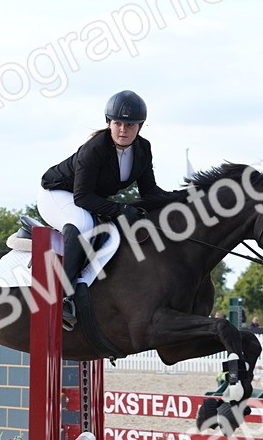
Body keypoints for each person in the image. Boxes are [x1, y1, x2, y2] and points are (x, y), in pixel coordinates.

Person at [39, 90, 186, 330]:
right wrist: (121, 209)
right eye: (117, 123)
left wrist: (182, 197)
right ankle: (60, 298)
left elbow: (150, 192)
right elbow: (82, 197)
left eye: (130, 125)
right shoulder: (94, 149)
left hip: (86, 198)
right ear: (109, 122)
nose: (123, 130)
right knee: (84, 224)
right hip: (56, 194)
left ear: (140, 127)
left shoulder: (143, 149)